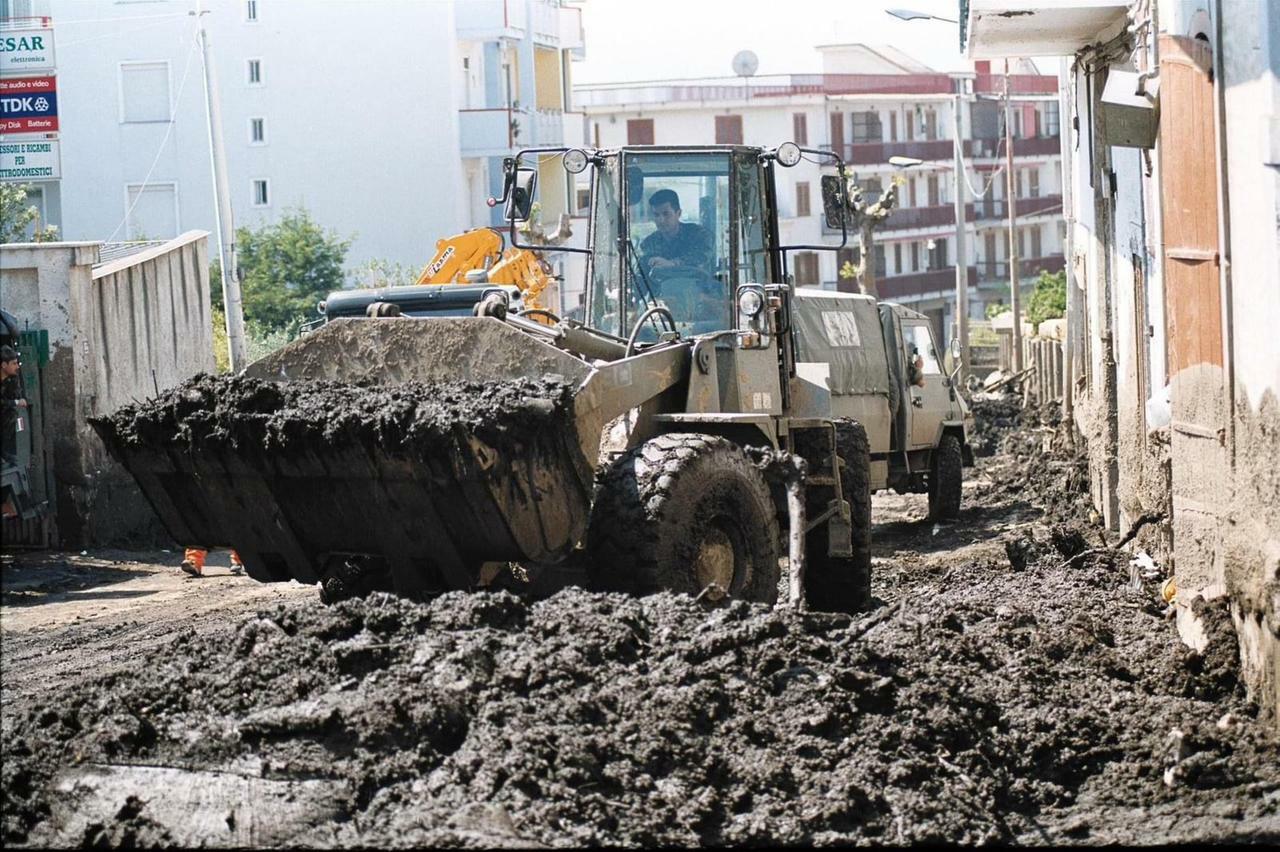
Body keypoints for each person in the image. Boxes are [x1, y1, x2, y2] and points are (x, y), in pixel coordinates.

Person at [639, 189, 713, 279]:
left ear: (678, 213)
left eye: (666, 214)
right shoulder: (649, 243)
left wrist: (673, 264)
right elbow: (641, 277)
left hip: (699, 290)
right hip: (660, 292)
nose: (661, 220)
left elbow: (702, 257)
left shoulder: (699, 235)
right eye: (656, 215)